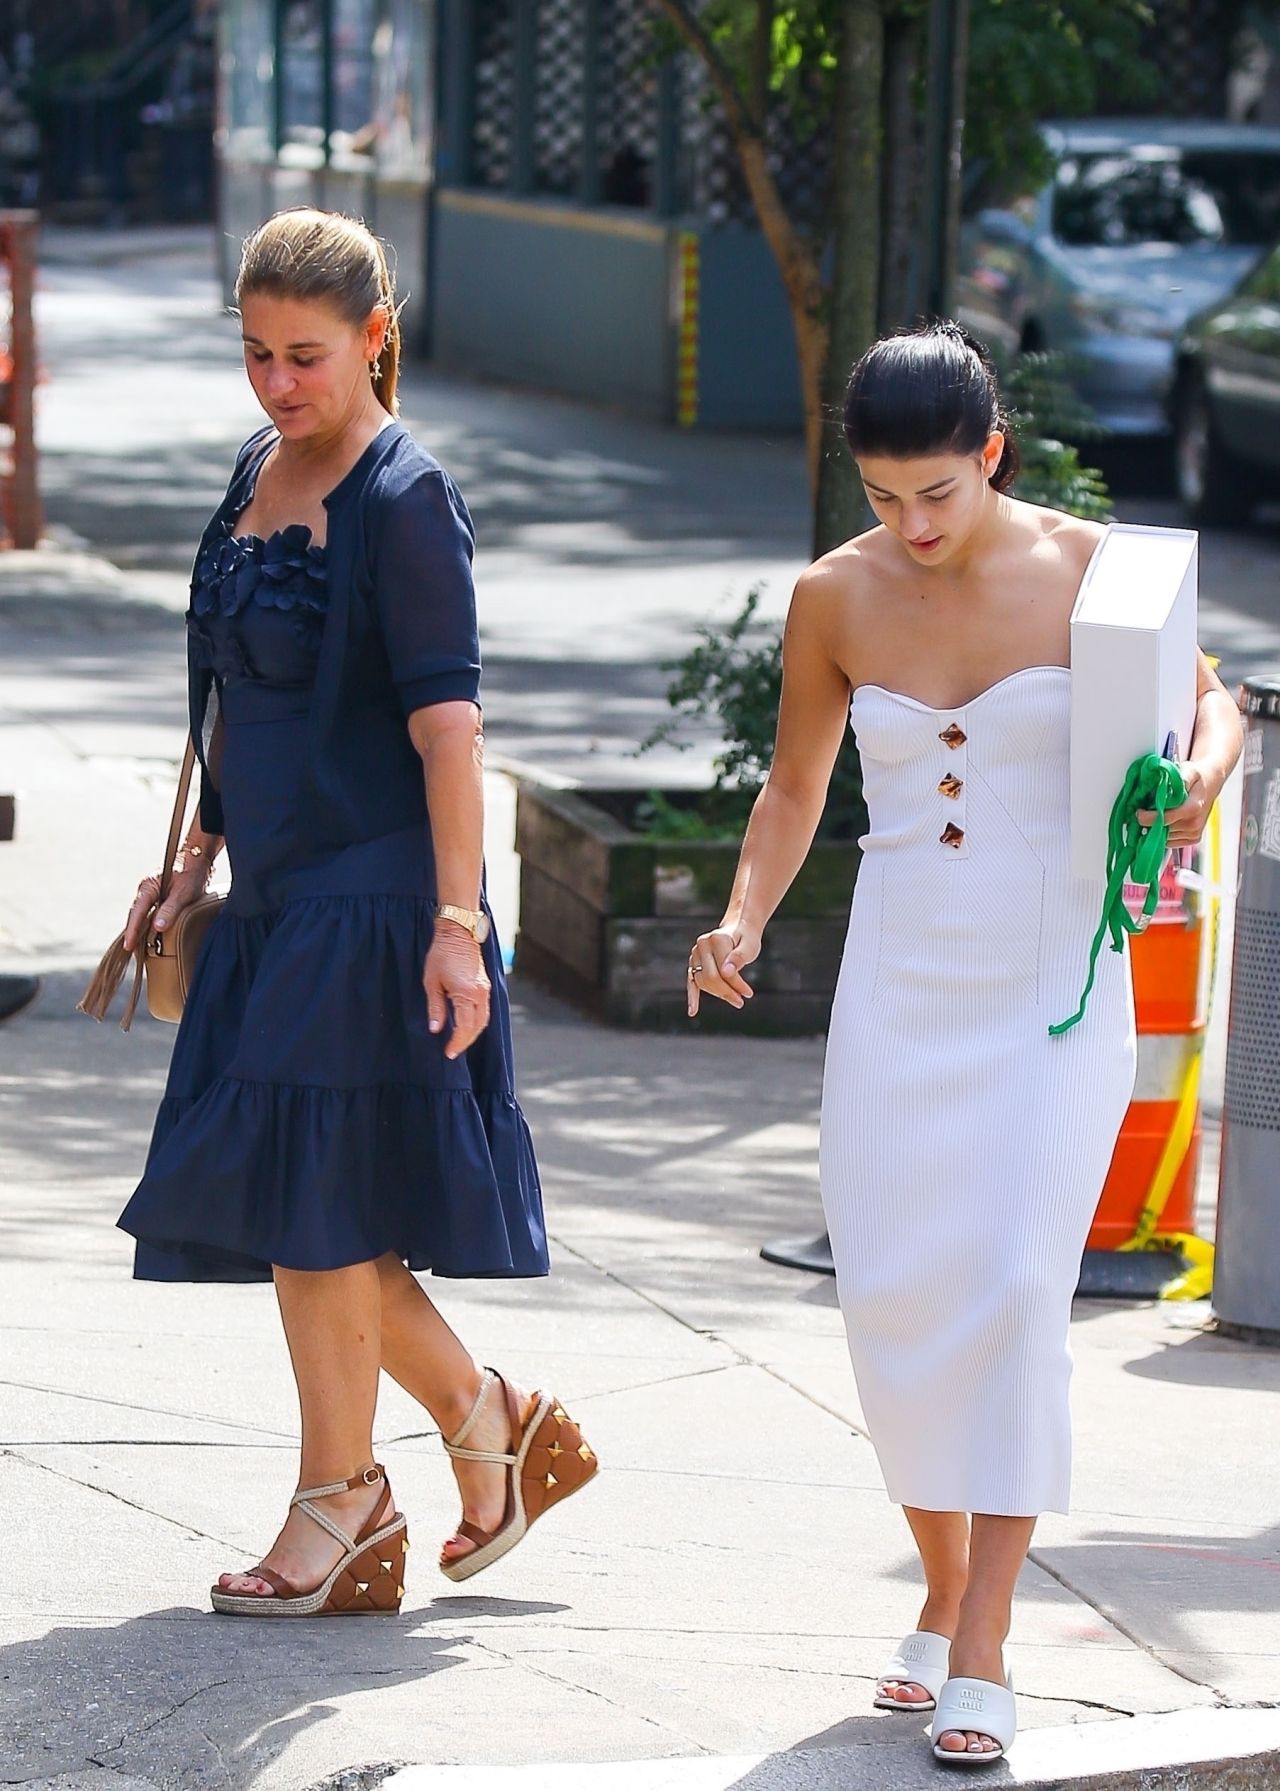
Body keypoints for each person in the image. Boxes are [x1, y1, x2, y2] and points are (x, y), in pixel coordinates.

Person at [687, 323, 1241, 1767]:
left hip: (1053, 976)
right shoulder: (836, 596)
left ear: (990, 453)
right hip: (901, 974)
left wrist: (1193, 778)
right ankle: (941, 1588)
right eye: (883, 496)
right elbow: (796, 783)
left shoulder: (1094, 571)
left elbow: (1217, 698)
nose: (912, 525)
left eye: (937, 491)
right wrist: (740, 917)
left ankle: (982, 1638)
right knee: (892, 1296)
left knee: (1008, 1289)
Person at [114, 208, 596, 1617]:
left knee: (314, 1220)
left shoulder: (404, 494)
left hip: (377, 899)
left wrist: (462, 924)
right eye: (257, 354)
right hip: (273, 898)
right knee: (307, 1213)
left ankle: (346, 1505)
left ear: (375, 340)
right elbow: (237, 695)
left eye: (307, 357)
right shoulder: (258, 471)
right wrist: (198, 851)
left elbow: (452, 733)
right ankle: (481, 1418)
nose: (277, 385)